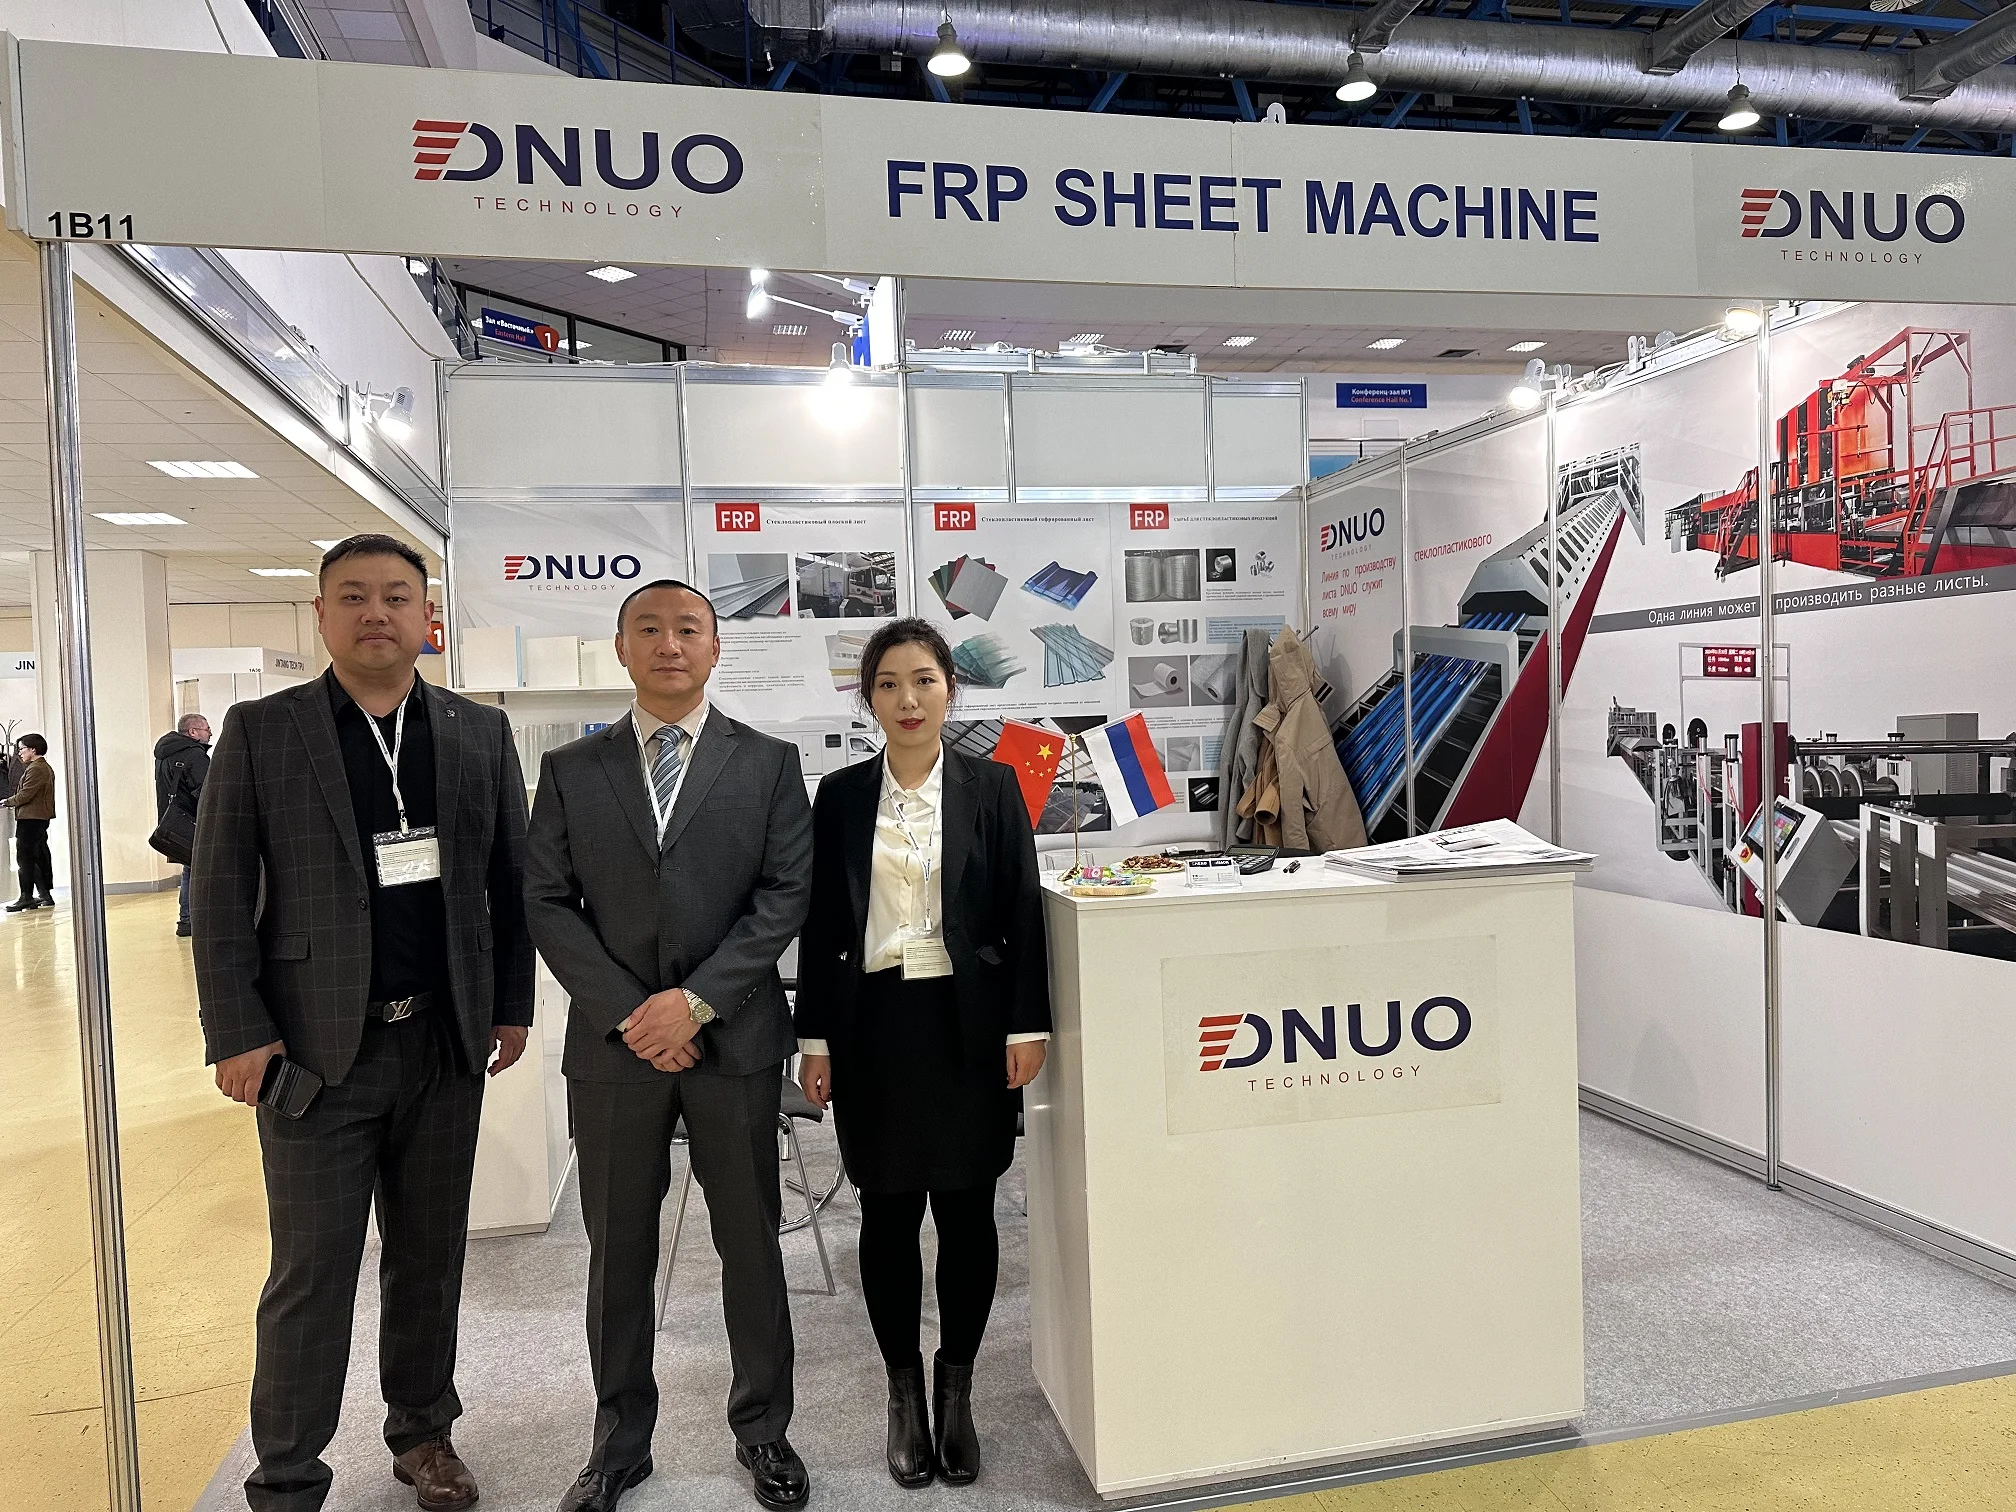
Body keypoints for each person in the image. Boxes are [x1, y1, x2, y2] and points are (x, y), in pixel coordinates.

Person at [191, 534, 535, 1512]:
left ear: (427, 616)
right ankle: (287, 1473)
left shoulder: (476, 732)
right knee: (312, 1272)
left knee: (429, 1259)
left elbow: (508, 884)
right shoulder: (262, 730)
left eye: (395, 596)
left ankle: (423, 1435)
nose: (375, 612)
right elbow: (219, 893)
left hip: (444, 1043)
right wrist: (237, 1030)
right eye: (352, 596)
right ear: (322, 614)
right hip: (313, 1053)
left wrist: (510, 1006)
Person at [524, 580, 813, 1512]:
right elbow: (546, 902)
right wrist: (633, 1014)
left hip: (733, 1042)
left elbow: (784, 896)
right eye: (648, 629)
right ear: (621, 649)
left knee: (750, 1243)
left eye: (689, 628)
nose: (669, 644)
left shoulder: (768, 762)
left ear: (715, 648)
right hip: (615, 1052)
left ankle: (764, 1430)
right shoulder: (572, 769)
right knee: (618, 1250)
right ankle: (618, 1443)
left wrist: (694, 1003)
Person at [794, 619, 1051, 1489]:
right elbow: (822, 922)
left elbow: (1020, 907)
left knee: (970, 1214)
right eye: (889, 684)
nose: (908, 700)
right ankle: (902, 1393)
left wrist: (1027, 1025)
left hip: (967, 1026)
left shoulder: (993, 785)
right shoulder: (839, 795)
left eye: (924, 681)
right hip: (874, 1027)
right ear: (868, 698)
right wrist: (815, 1038)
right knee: (889, 1214)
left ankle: (957, 1389)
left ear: (950, 689)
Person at [155, 712, 212, 937]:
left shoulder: (164, 754)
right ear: (193, 732)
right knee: (196, 869)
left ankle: (187, 918)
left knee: (189, 868)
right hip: (194, 819)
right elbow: (206, 792)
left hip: (173, 821)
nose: (210, 733)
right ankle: (190, 919)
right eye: (207, 729)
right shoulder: (194, 755)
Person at [3, 732, 55, 912]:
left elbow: (25, 794)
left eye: (22, 749)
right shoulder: (40, 767)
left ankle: (26, 896)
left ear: (33, 749)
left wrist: (6, 801)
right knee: (36, 856)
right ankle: (43, 894)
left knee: (25, 858)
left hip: (31, 818)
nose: (20, 753)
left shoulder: (36, 769)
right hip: (36, 817)